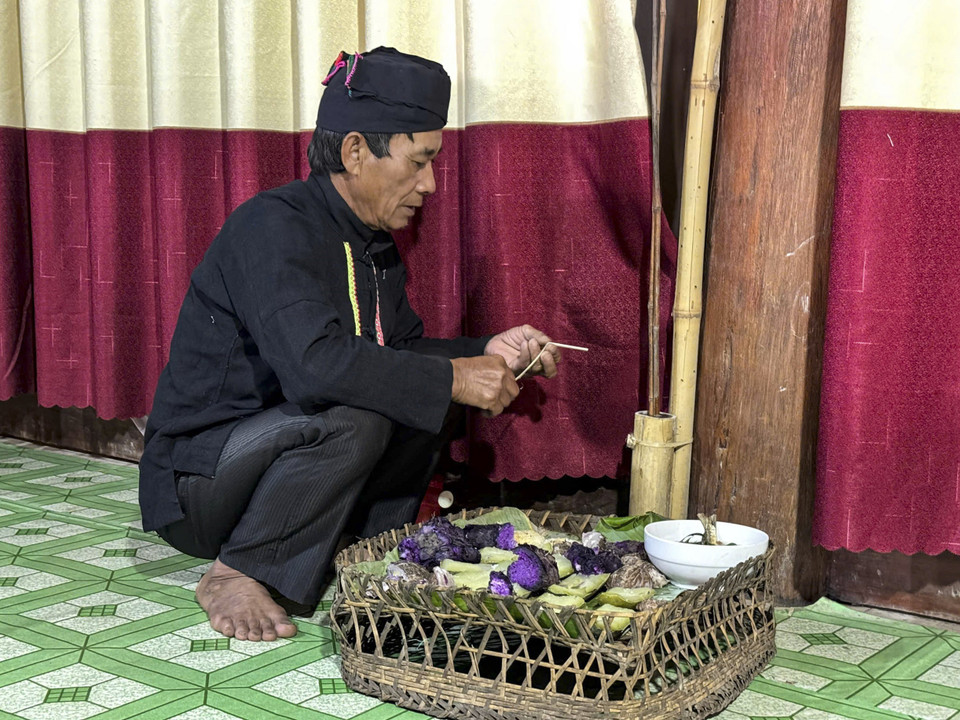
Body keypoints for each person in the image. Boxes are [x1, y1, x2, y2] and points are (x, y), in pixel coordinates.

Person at [138, 47, 561, 642]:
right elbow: (316, 370)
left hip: (287, 475)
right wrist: (453, 376)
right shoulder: (273, 226)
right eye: (418, 162)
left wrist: (489, 350)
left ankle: (363, 543)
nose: (431, 183)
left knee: (417, 393)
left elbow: (401, 353)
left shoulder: (373, 242)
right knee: (362, 407)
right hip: (200, 485)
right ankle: (236, 571)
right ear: (356, 150)